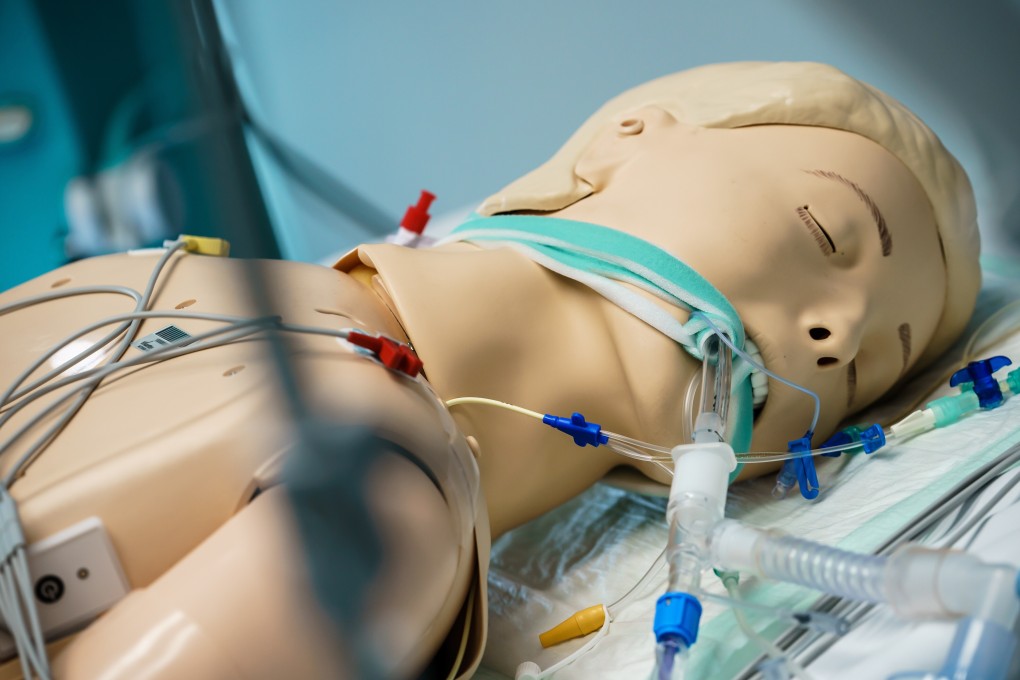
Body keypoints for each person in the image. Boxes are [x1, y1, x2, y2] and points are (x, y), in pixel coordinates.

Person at [0, 62, 979, 679]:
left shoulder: (387, 506)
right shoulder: (179, 279)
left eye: (859, 370)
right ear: (626, 138)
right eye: (829, 233)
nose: (833, 335)